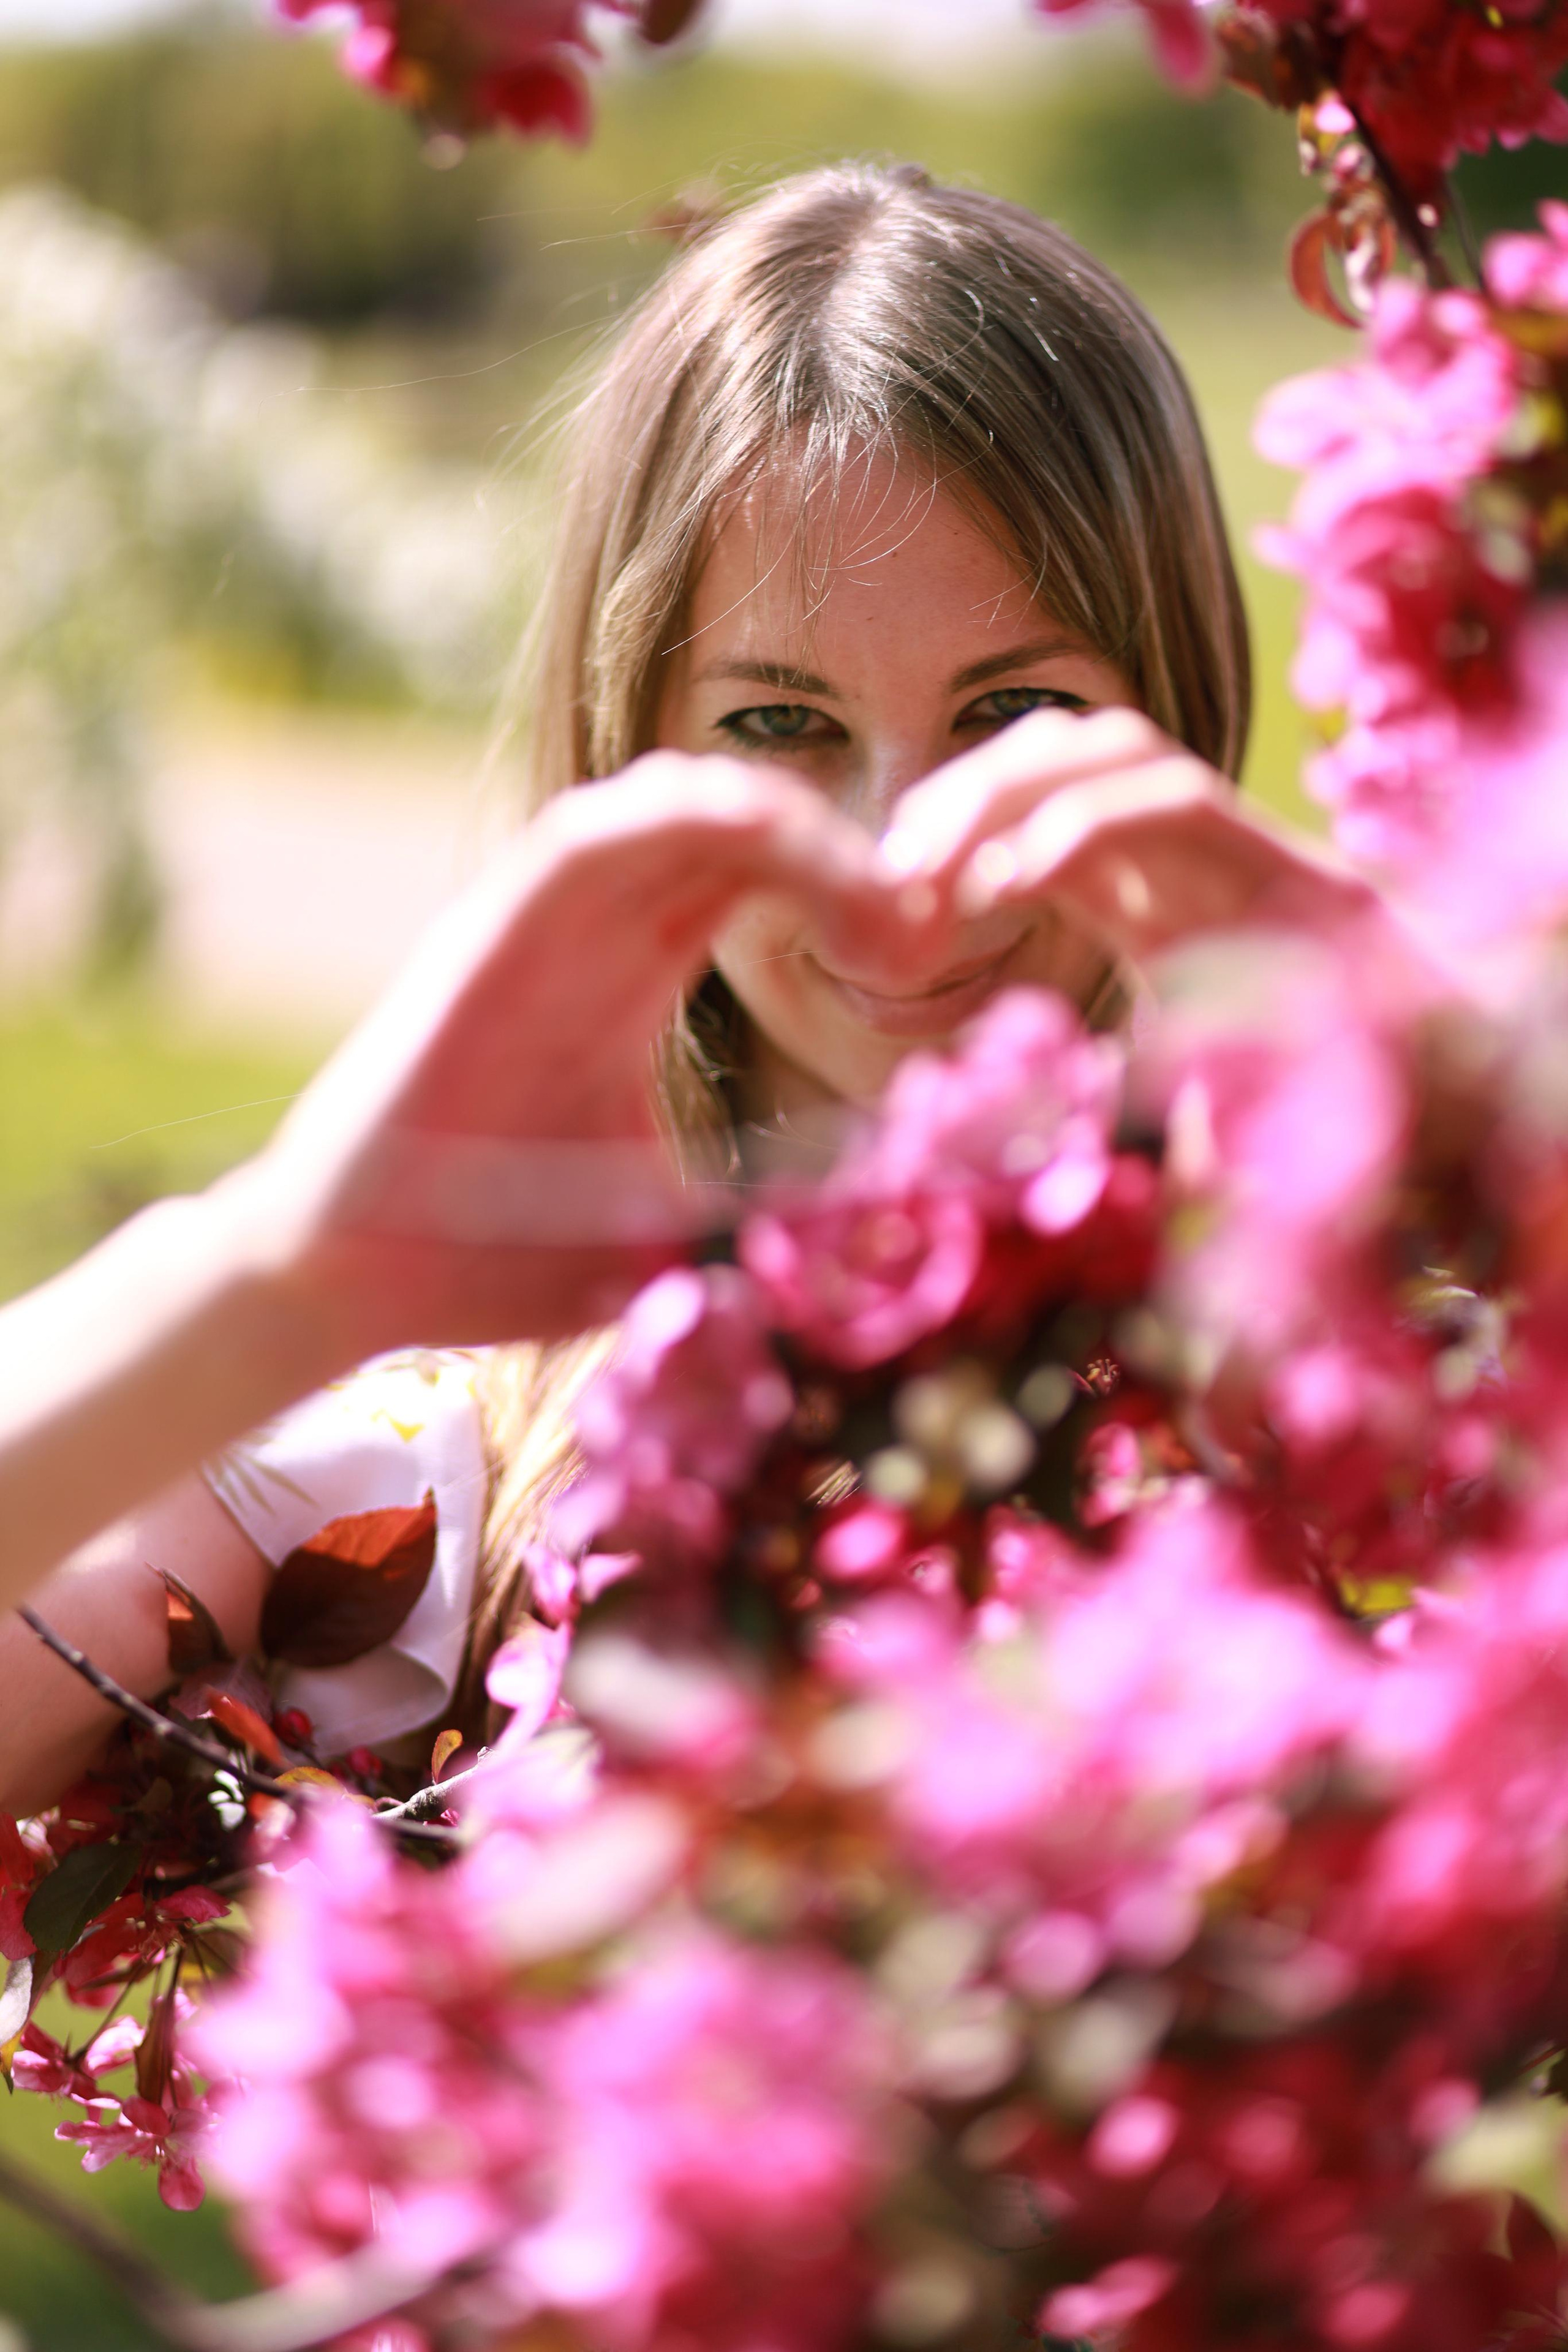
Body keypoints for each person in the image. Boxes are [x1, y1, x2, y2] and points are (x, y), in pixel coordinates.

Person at [0, 162, 1389, 1814]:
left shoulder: (1404, 1377)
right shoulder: (412, 1513)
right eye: (777, 725)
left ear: (1179, 717)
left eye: (1011, 716)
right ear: (626, 750)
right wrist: (276, 1277)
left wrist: (1482, 1146)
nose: (899, 855)